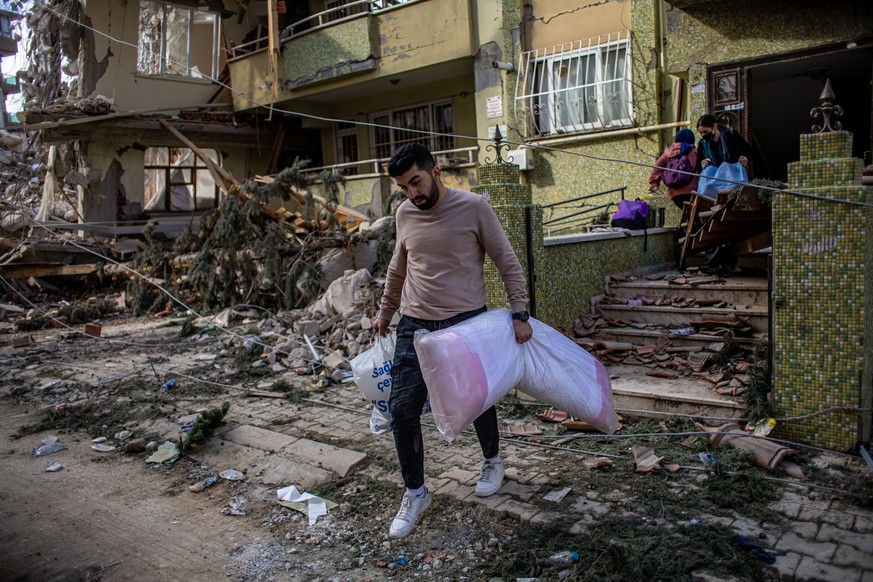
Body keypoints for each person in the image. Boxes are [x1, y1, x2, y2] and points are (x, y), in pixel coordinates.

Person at [372, 143, 533, 539]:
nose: (412, 193)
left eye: (416, 181)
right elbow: (398, 268)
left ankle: (493, 460)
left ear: (436, 171)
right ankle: (416, 492)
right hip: (415, 323)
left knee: (476, 397)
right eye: (403, 186)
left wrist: (520, 312)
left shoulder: (474, 206)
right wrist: (385, 312)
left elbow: (506, 260)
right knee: (401, 409)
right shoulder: (405, 213)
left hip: (466, 322)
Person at [648, 128, 699, 209]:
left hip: (675, 194)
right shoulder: (694, 151)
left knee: (687, 214)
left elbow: (657, 167)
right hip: (692, 191)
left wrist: (654, 183)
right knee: (694, 215)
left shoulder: (668, 152)